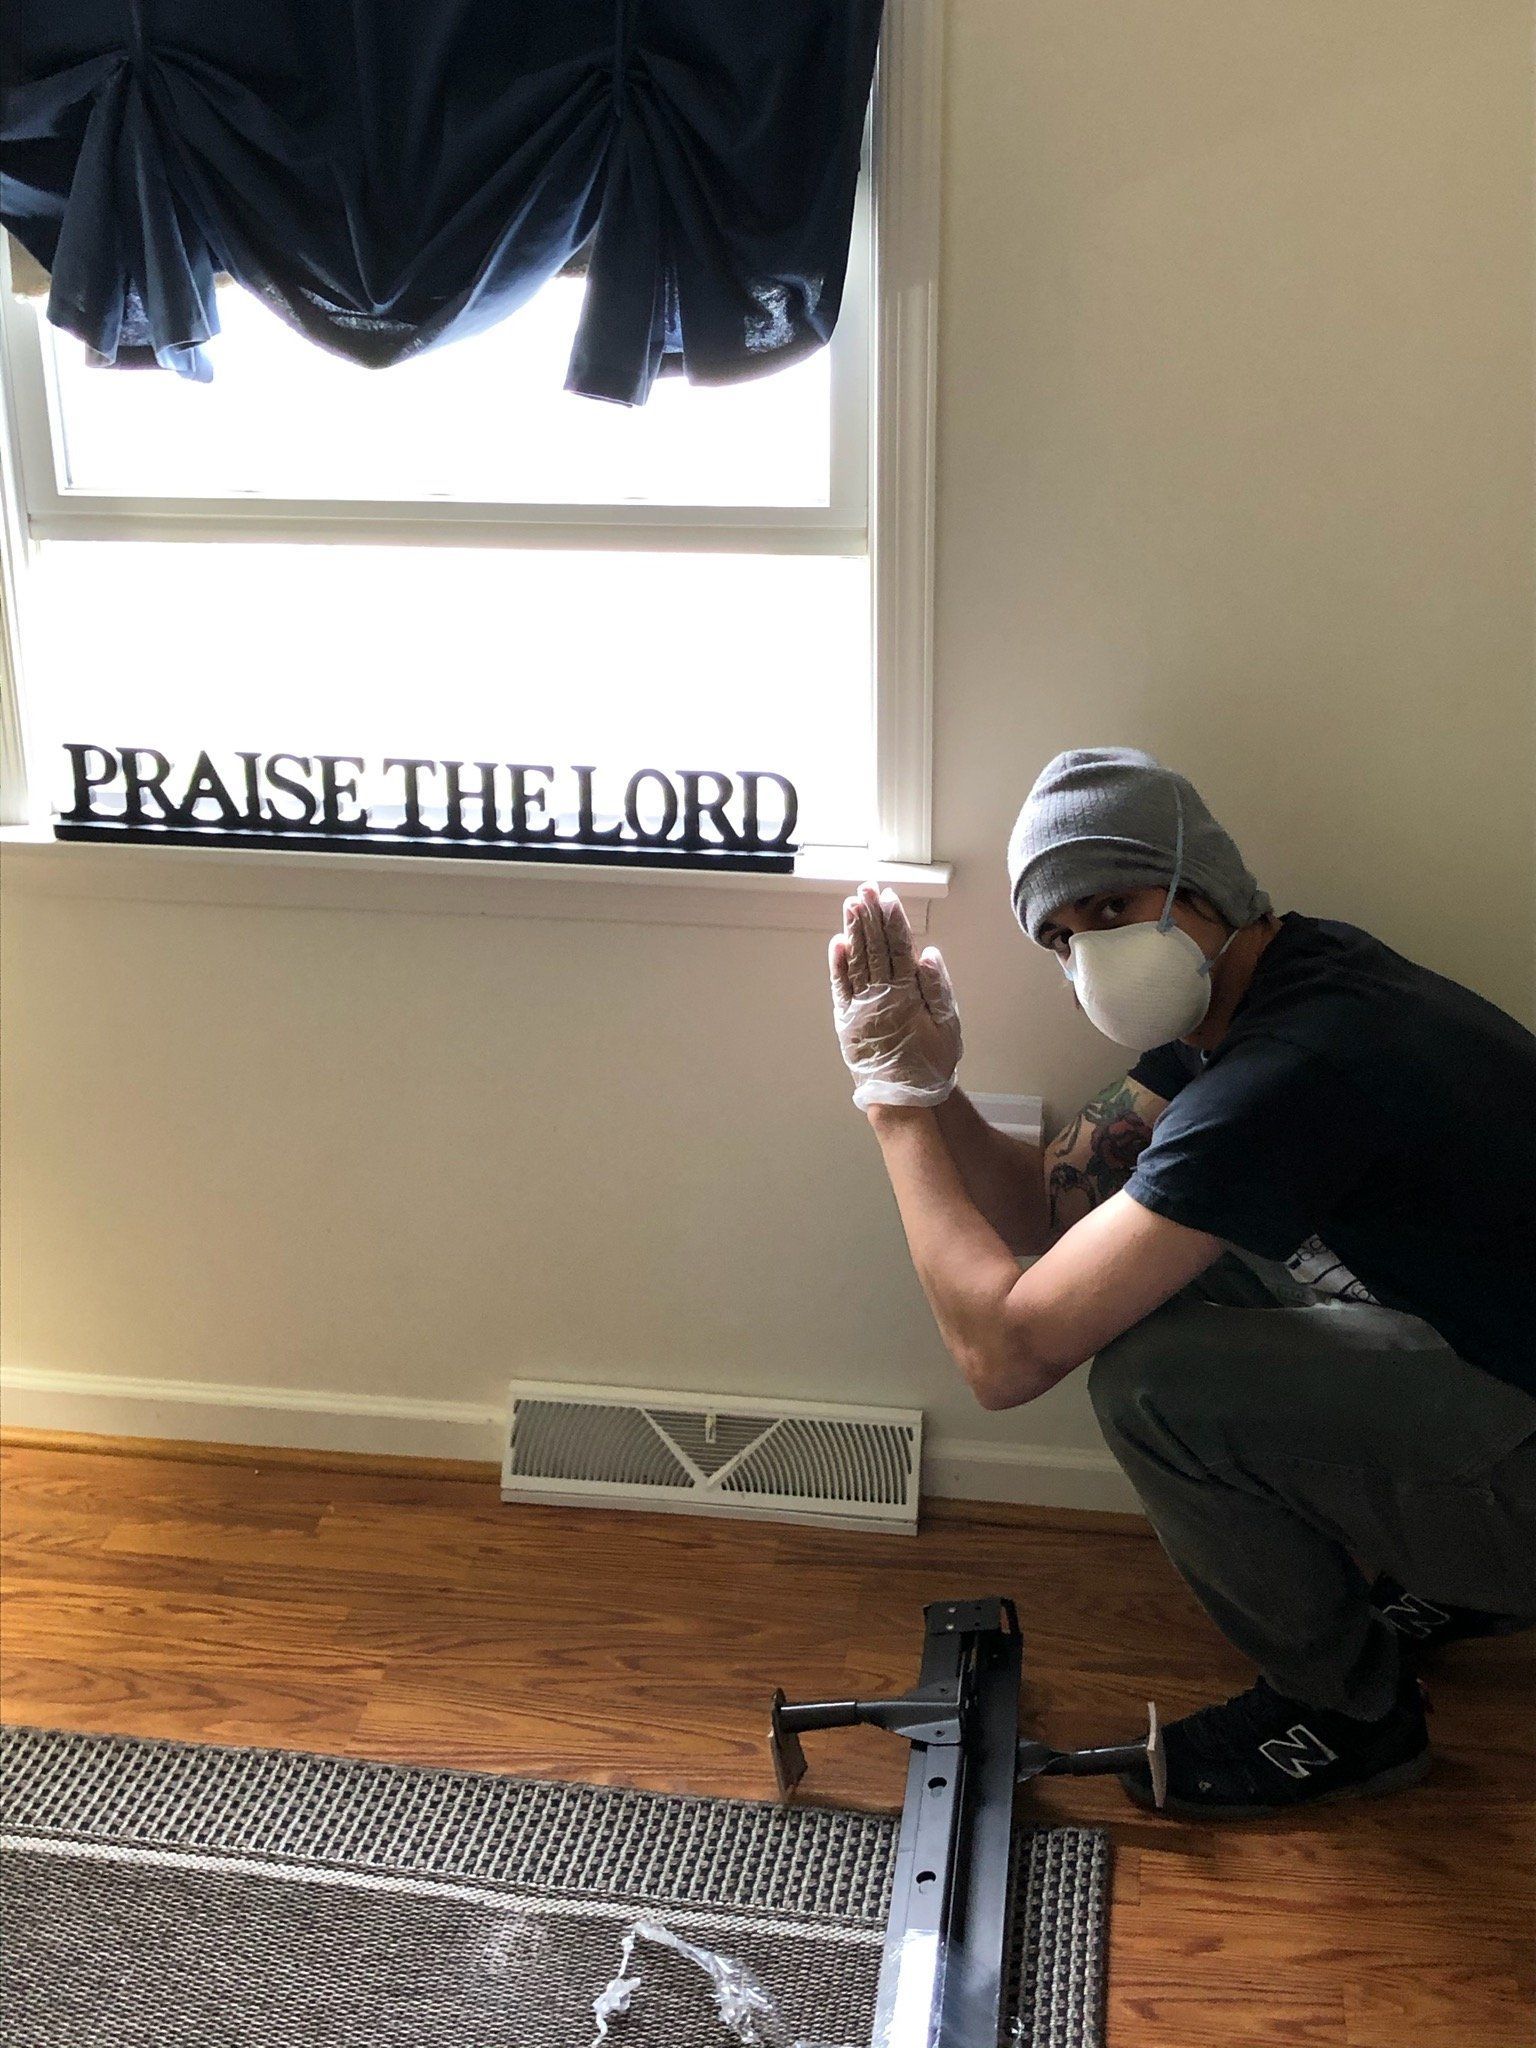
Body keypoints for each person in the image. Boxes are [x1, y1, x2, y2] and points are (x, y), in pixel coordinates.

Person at [828, 745, 1536, 1819]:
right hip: (1496, 1358)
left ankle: (1349, 1711)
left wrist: (891, 1106)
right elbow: (1057, 1204)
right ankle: (1446, 1572)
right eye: (1062, 938)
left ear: (1201, 884)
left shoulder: (1292, 1068)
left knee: (1150, 1382)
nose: (1092, 953)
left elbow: (1003, 1356)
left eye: (1113, 906)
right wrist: (936, 1085)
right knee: (1174, 1261)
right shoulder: (1271, 989)